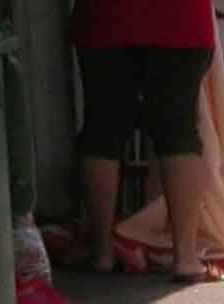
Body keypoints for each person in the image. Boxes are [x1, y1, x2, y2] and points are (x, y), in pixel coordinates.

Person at [70, 0, 216, 282]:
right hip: (179, 16)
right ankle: (185, 257)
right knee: (179, 133)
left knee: (102, 131)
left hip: (106, 17)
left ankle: (102, 251)